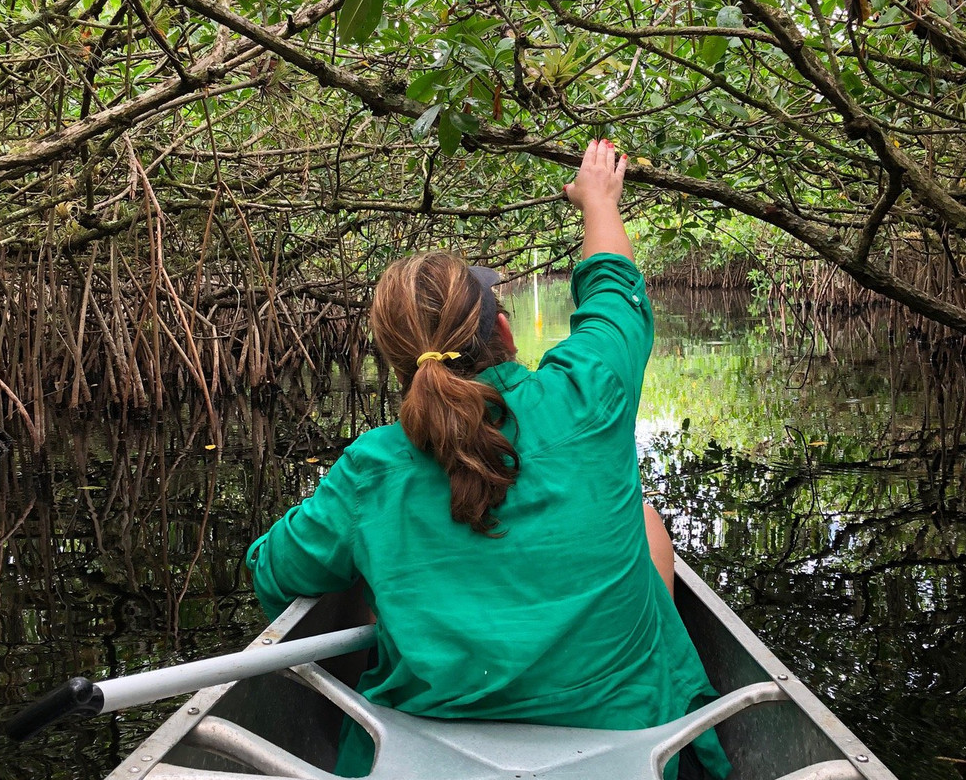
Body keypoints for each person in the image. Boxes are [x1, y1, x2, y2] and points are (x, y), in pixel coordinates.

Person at [245, 139, 731, 780]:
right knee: (644, 521)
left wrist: (374, 584)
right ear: (503, 332)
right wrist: (598, 199)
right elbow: (614, 296)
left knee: (364, 559)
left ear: (399, 365)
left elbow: (275, 574)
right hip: (625, 743)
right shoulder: (587, 396)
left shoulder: (371, 469)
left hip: (425, 753)